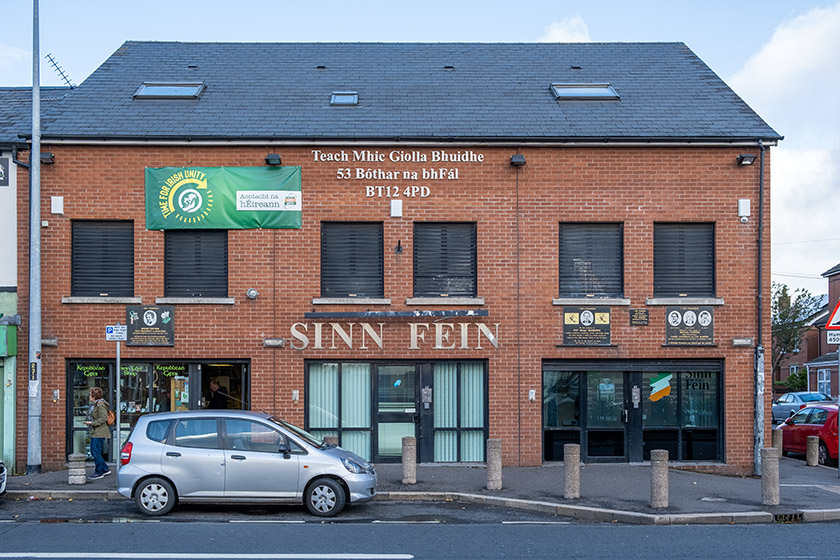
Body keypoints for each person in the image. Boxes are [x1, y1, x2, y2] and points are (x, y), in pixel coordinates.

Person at [84, 386, 111, 480]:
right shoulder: (95, 404)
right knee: (93, 451)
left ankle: (99, 472)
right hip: (95, 431)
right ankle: (105, 468)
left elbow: (103, 418)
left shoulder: (100, 405)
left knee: (96, 452)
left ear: (94, 396)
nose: (89, 396)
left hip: (99, 432)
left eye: (90, 394)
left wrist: (92, 423)